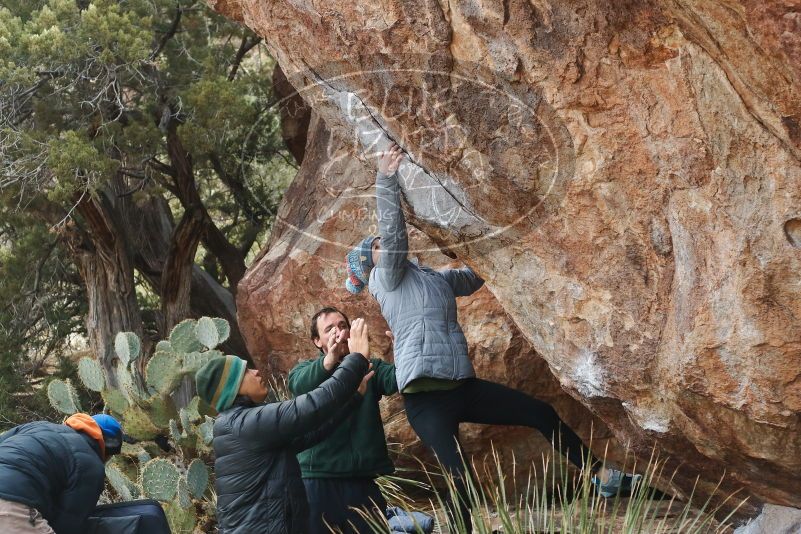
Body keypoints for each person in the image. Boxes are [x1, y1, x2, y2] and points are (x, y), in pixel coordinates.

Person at [345, 143, 636, 529]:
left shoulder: (431, 278)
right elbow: (395, 237)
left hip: (461, 388)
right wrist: (386, 179)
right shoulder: (386, 280)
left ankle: (603, 478)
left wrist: (499, 229)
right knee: (459, 478)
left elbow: (475, 275)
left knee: (540, 413)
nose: (385, 247)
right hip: (425, 400)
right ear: (372, 263)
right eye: (377, 248)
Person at [197, 318, 375, 534]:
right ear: (232, 388)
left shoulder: (242, 422)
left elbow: (310, 433)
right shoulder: (244, 423)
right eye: (245, 371)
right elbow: (310, 406)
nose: (255, 372)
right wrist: (355, 359)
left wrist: (354, 398)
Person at [288, 306, 398, 534]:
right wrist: (332, 360)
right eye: (329, 329)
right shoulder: (307, 370)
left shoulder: (371, 367)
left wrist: (403, 349)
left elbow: (399, 380)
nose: (339, 332)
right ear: (317, 341)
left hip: (361, 481)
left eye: (342, 326)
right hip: (316, 480)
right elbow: (299, 386)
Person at [0, 413, 123, 533]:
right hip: (12, 506)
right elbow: (68, 523)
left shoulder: (36, 426)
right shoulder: (90, 464)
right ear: (107, 450)